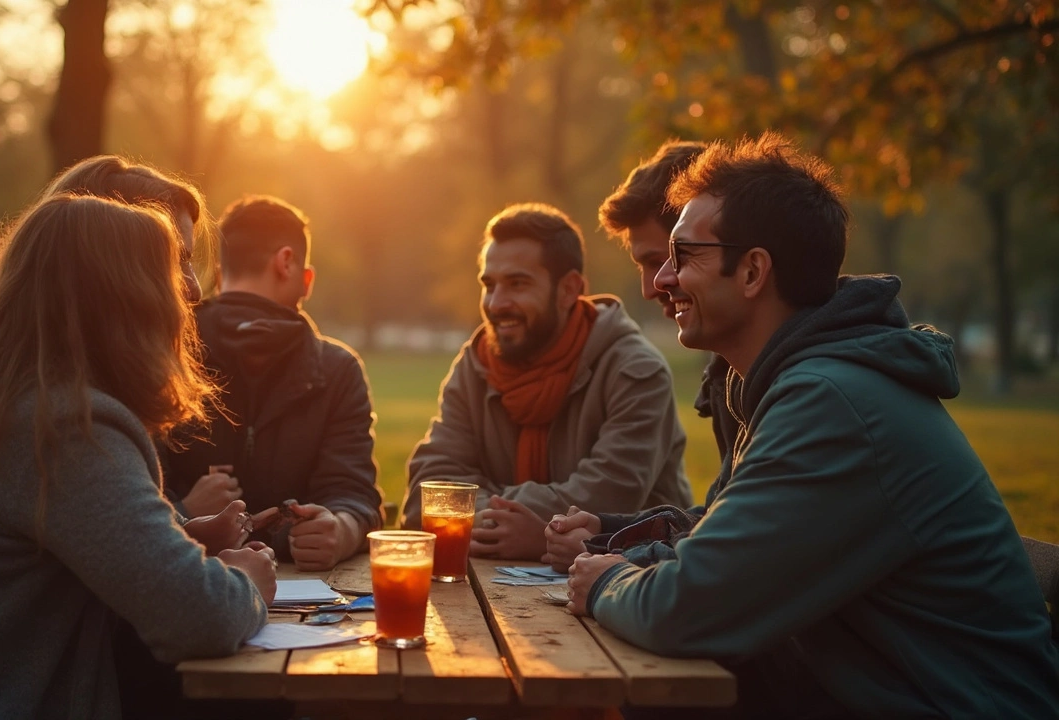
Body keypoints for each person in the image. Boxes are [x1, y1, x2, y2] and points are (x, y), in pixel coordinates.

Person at [567, 133, 1059, 718]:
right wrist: (613, 553)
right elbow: (719, 551)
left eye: (683, 256)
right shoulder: (785, 384)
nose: (661, 281)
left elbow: (688, 608)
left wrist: (604, 585)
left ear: (752, 271)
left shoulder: (832, 402)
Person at [0, 193, 276, 720]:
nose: (191, 299)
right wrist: (249, 581)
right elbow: (196, 617)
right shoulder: (61, 427)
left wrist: (181, 538)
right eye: (169, 283)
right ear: (124, 303)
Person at [402, 202, 691, 561]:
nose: (496, 303)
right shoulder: (476, 365)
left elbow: (611, 499)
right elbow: (427, 495)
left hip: (633, 584)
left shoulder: (635, 370)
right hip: (495, 591)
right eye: (489, 285)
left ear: (570, 289)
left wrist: (490, 515)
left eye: (517, 284)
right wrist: (514, 521)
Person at [161, 195, 384, 572]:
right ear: (288, 264)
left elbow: (125, 490)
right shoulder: (338, 368)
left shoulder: (162, 352)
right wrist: (341, 530)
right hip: (217, 589)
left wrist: (179, 512)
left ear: (217, 273)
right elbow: (352, 490)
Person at [544, 141, 738, 572]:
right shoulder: (736, 374)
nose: (654, 286)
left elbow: (736, 564)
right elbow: (721, 522)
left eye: (668, 259)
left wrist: (604, 557)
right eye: (645, 266)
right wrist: (602, 533)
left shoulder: (815, 391)